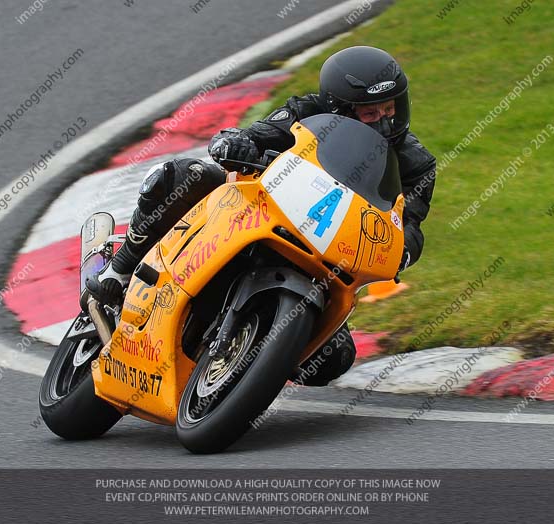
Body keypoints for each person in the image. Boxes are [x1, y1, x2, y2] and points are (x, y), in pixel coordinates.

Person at [87, 45, 436, 385]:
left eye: (389, 110)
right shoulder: (309, 113)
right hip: (261, 211)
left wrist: (403, 248)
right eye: (370, 114)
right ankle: (119, 270)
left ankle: (254, 363)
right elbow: (260, 133)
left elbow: (411, 223)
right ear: (341, 110)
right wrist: (236, 143)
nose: (384, 122)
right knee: (183, 176)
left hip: (327, 254)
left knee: (336, 358)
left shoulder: (416, 164)